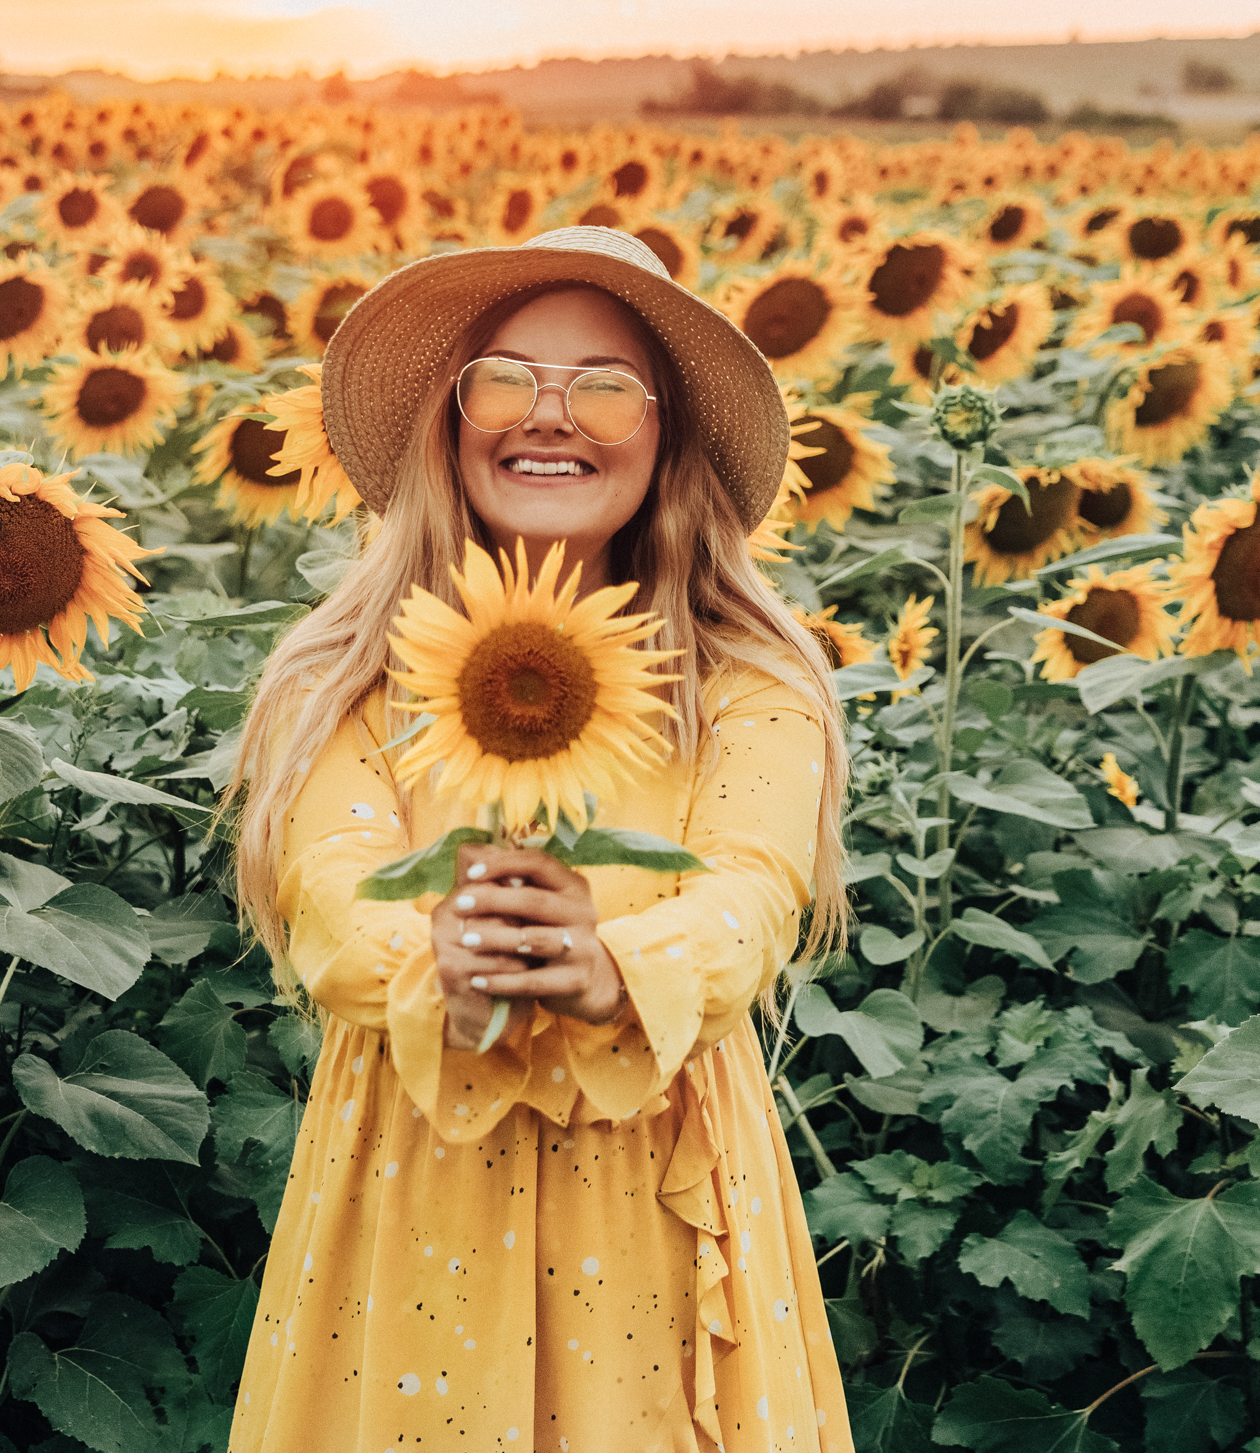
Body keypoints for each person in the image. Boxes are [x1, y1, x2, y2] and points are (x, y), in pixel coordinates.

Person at [227, 226, 853, 1453]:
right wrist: (444, 959)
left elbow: (752, 889)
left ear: (666, 436)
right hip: (417, 1177)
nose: (548, 417)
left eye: (606, 388)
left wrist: (616, 966)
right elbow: (333, 889)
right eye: (504, 379)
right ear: (451, 422)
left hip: (655, 1183)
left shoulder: (746, 680)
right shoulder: (347, 677)